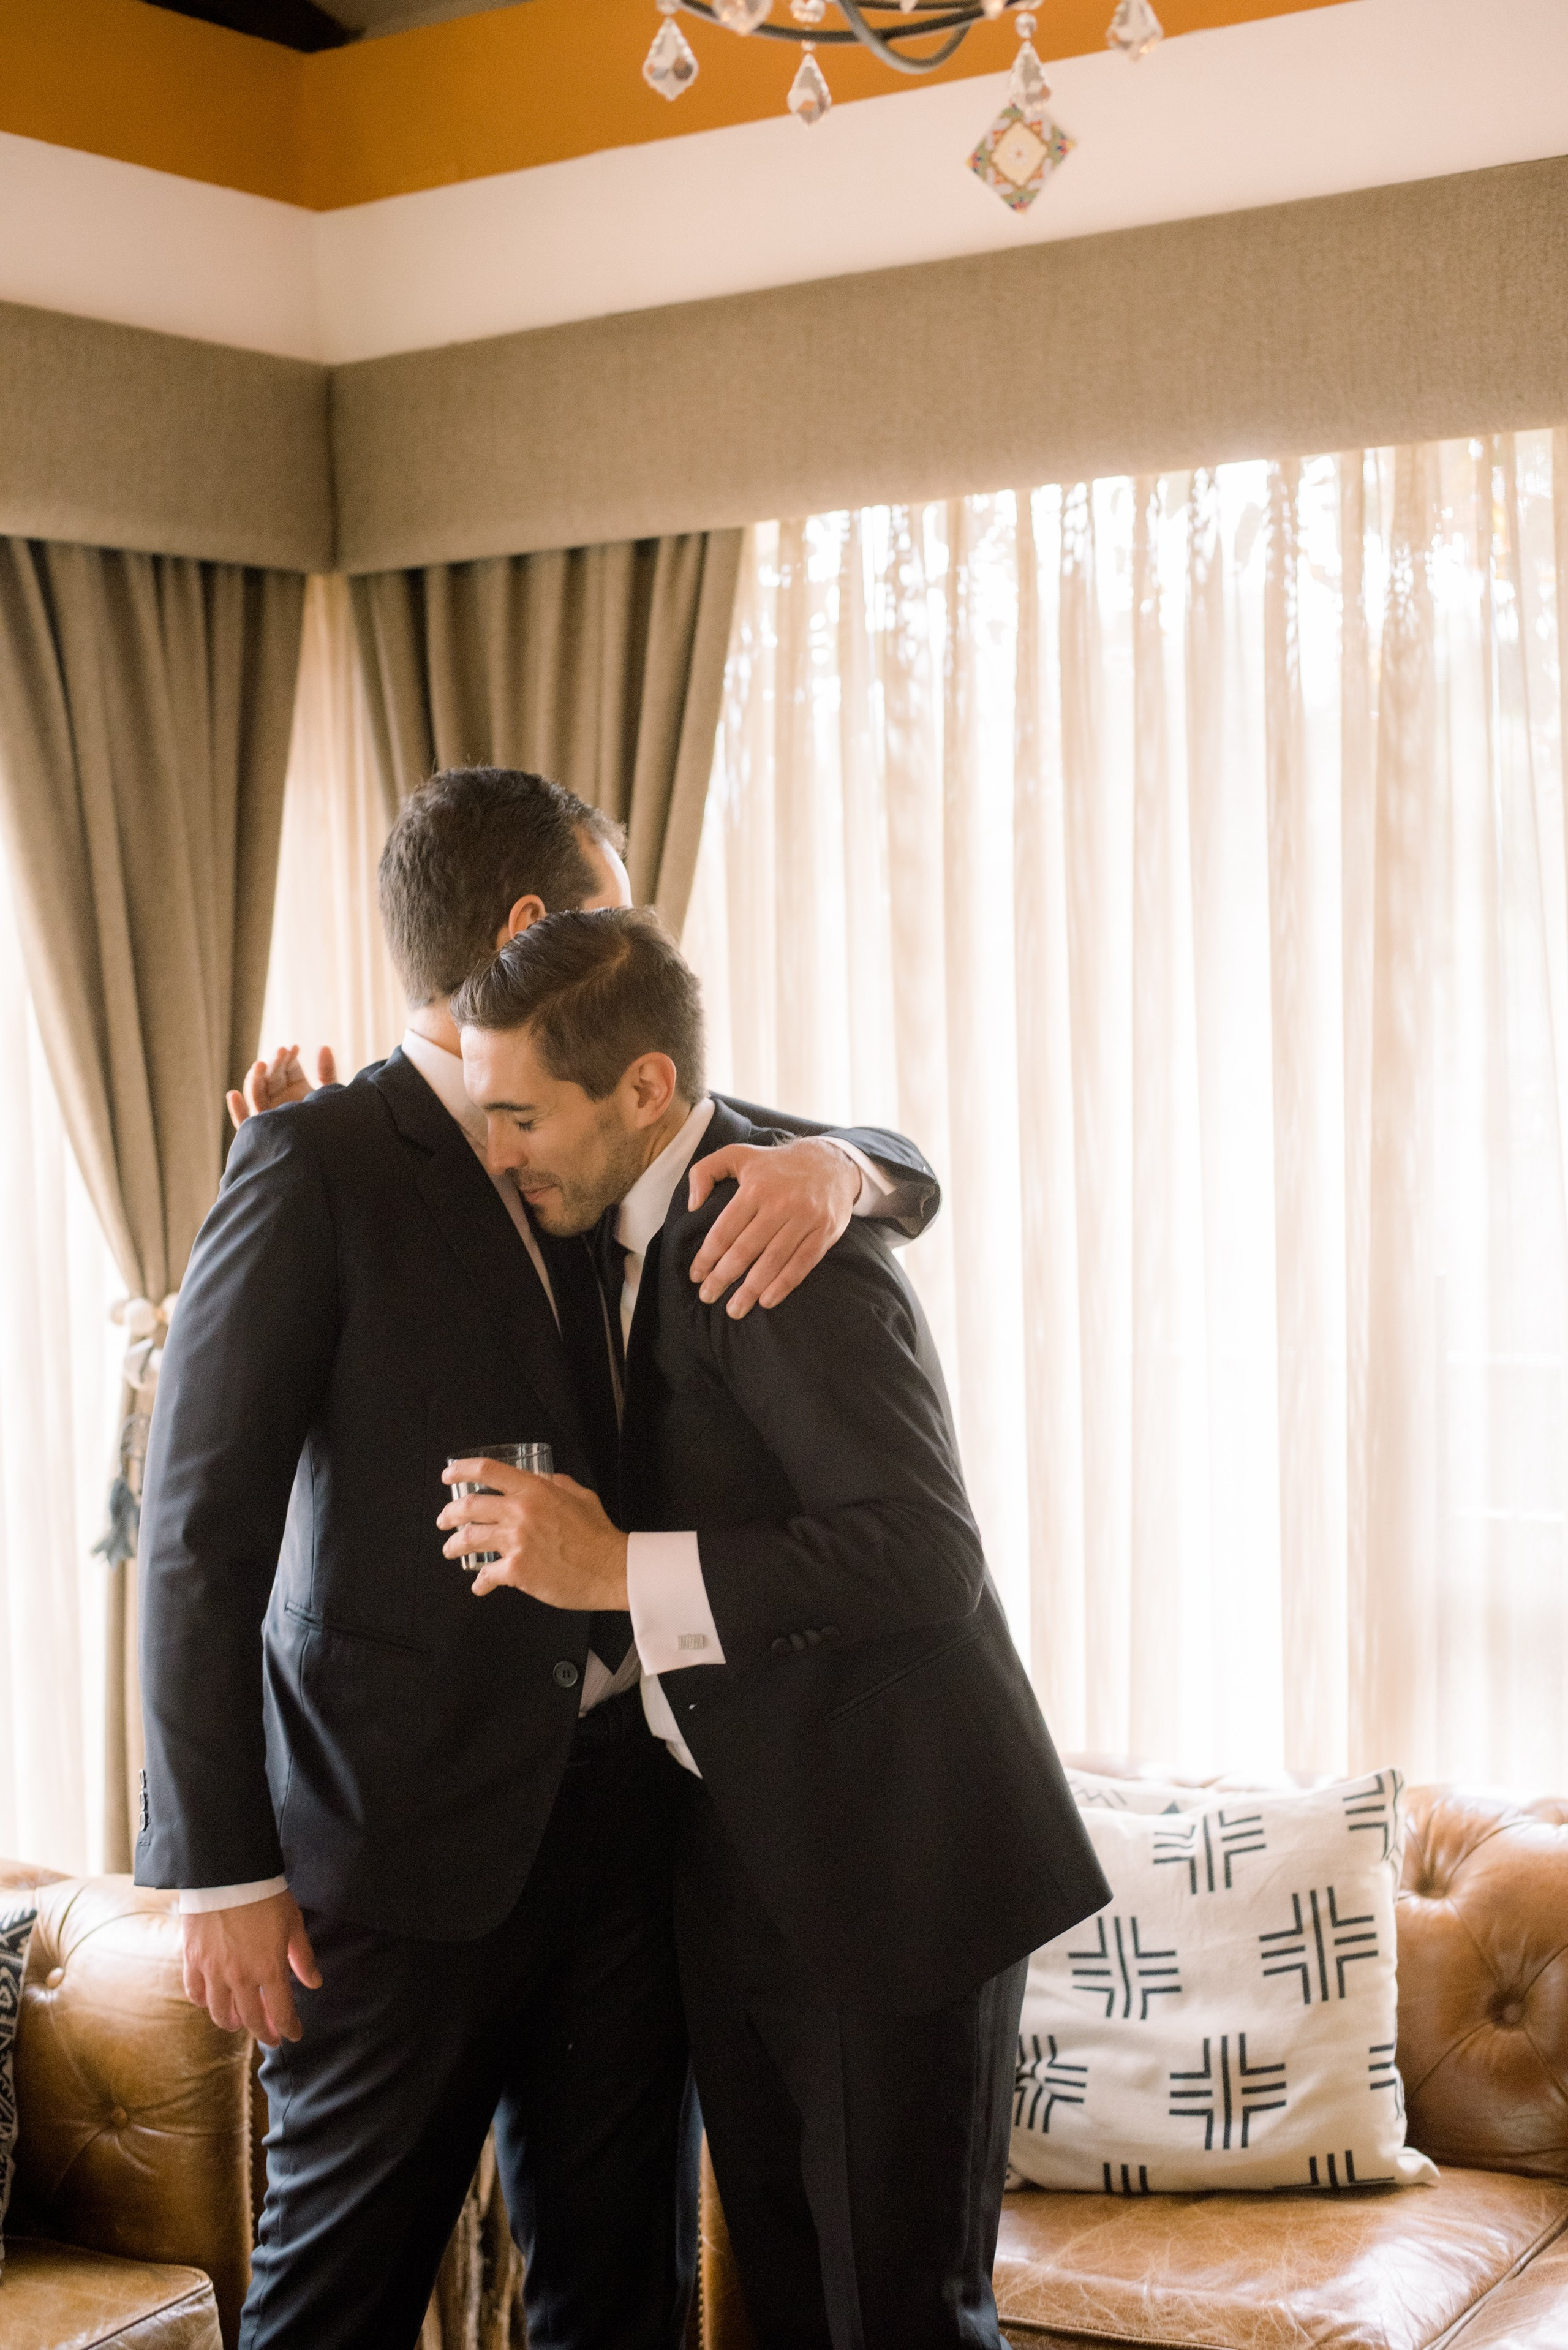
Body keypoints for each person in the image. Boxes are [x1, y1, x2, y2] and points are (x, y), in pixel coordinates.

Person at [135, 767, 938, 2350]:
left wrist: (854, 1168)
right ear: (538, 924)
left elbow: (856, 1144)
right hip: (389, 1864)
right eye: (617, 902)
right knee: (333, 2299)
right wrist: (220, 1872)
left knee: (617, 2296)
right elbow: (196, 1534)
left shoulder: (599, 1118)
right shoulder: (309, 1161)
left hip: (629, 1843)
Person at [443, 907, 1112, 2350]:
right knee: (788, 2308)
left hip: (892, 1867)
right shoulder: (612, 1200)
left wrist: (620, 1568)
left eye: (518, 1115)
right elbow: (888, 1151)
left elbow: (925, 1554)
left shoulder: (778, 1237)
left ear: (639, 1094)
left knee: (903, 2319)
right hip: (729, 1860)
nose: (498, 1152)